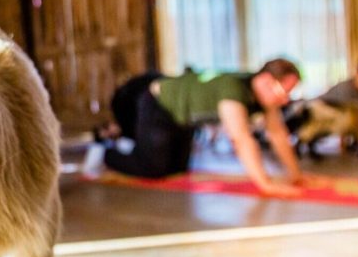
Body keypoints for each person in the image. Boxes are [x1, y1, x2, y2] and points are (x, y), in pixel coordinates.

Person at [95, 59, 305, 197]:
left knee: (177, 169)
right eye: (283, 91)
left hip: (185, 120)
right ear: (266, 80)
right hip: (158, 105)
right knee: (153, 170)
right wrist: (265, 185)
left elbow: (277, 133)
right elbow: (240, 138)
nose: (285, 100)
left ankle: (128, 142)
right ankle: (104, 153)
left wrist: (296, 175)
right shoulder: (234, 90)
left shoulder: (262, 98)